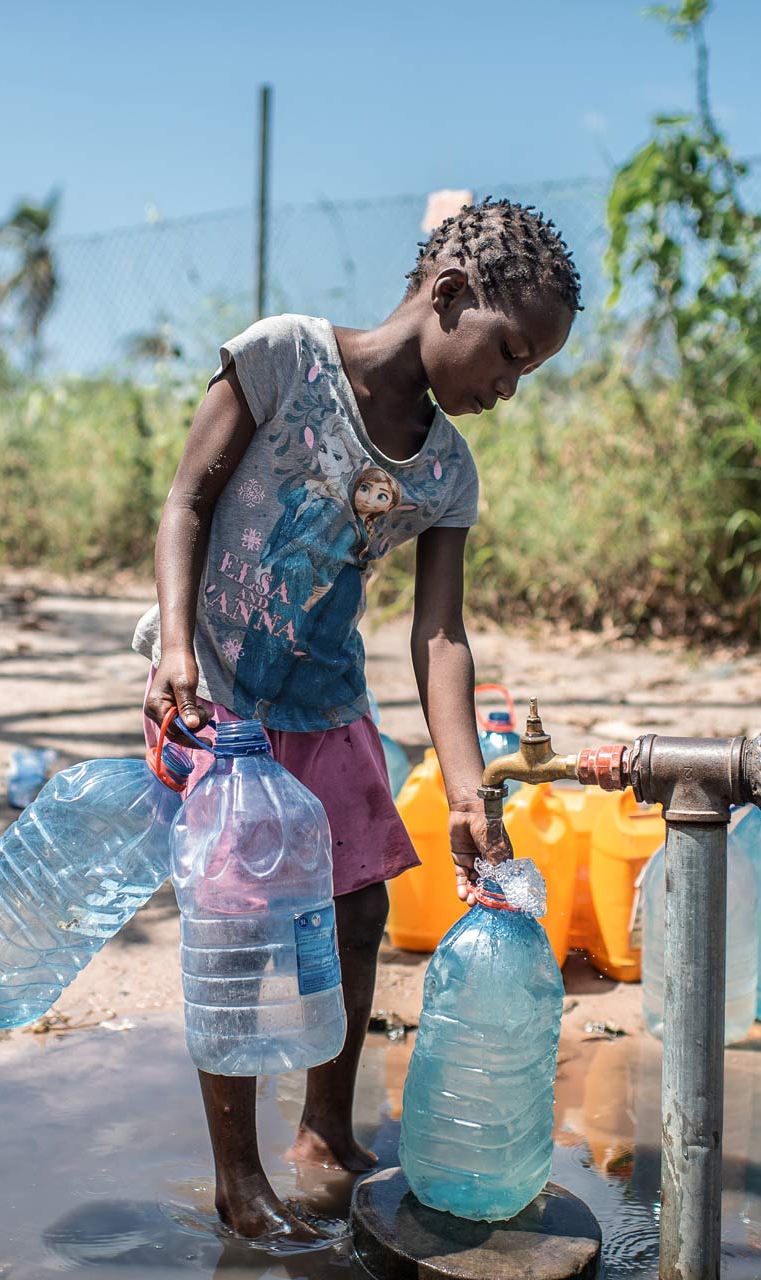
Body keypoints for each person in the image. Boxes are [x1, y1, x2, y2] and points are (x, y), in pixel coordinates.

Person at [136, 198, 581, 1241]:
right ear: (450, 295)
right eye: (509, 354)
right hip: (215, 692)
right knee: (238, 927)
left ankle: (325, 1129)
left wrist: (467, 787)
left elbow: (440, 635)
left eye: (528, 372)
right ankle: (238, 1179)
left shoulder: (446, 472)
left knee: (357, 909)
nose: (509, 388)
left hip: (326, 701)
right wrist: (174, 647)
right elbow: (187, 501)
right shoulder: (283, 359)